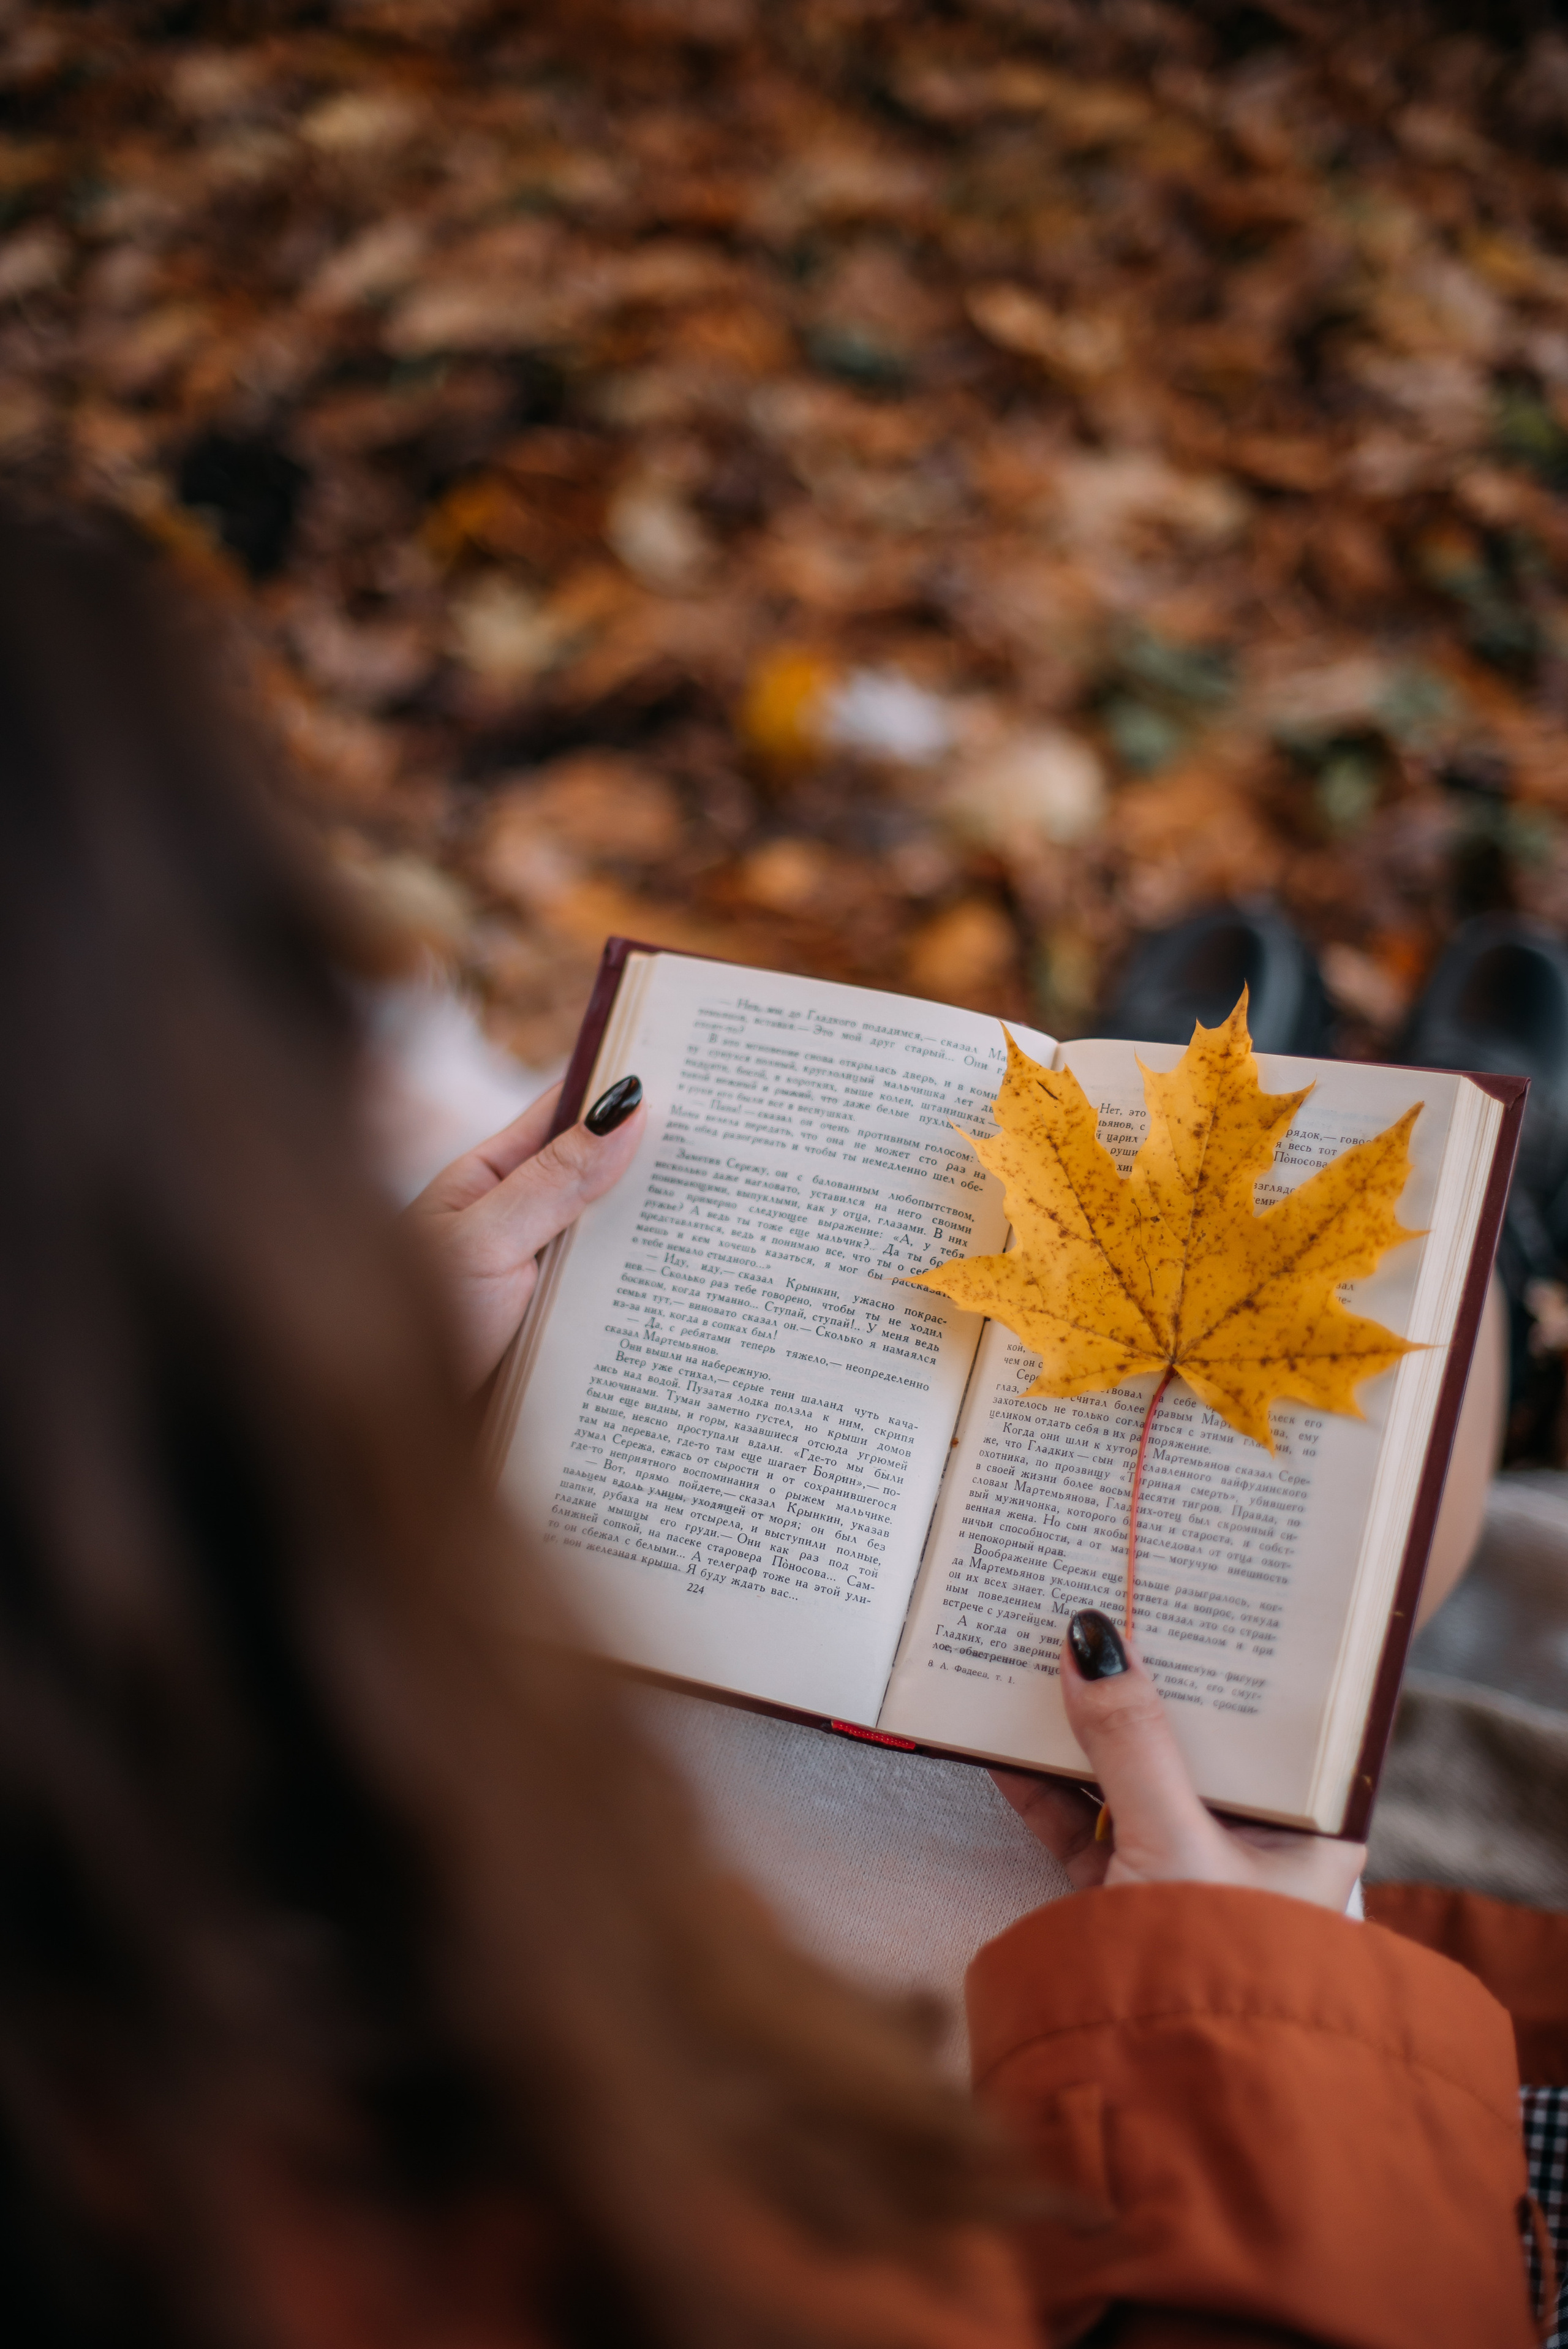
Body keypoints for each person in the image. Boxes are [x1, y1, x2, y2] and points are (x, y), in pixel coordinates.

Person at [0, 504, 1541, 2348]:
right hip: (1287, 2171)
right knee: (1424, 1442)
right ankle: (1503, 1265)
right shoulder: (323, 2220)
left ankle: (1432, 1247)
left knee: (1372, 1448)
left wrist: (275, 1473)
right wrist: (1264, 2005)